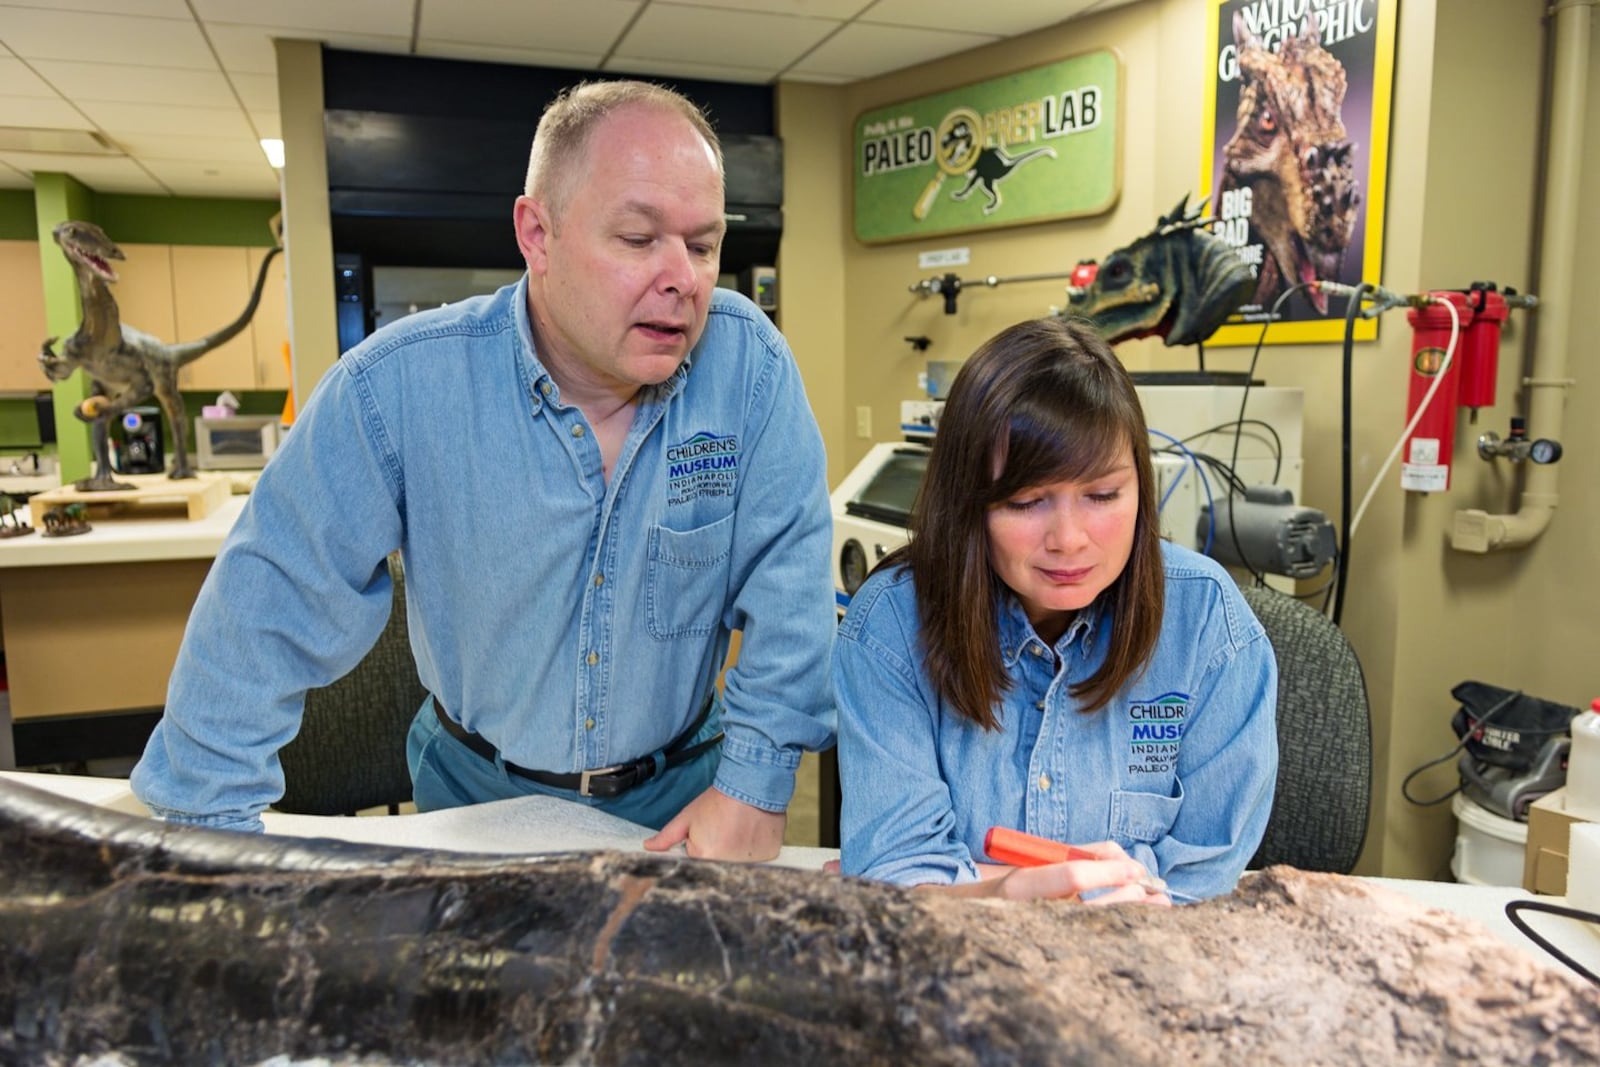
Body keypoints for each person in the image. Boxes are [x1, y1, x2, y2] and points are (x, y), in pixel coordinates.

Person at [131, 80, 836, 862]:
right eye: (639, 239)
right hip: (473, 796)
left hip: (681, 798)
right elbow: (264, 609)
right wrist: (206, 841)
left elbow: (792, 588)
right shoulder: (394, 387)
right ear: (537, 234)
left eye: (703, 245)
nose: (684, 278)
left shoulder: (748, 365)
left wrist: (755, 783)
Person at [833, 316, 1277, 903]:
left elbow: (1203, 878)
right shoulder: (890, 626)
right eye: (1024, 501)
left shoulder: (1208, 623)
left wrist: (976, 881)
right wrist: (1018, 893)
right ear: (970, 505)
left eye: (1102, 495)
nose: (1068, 539)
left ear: (1141, 487)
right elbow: (896, 878)